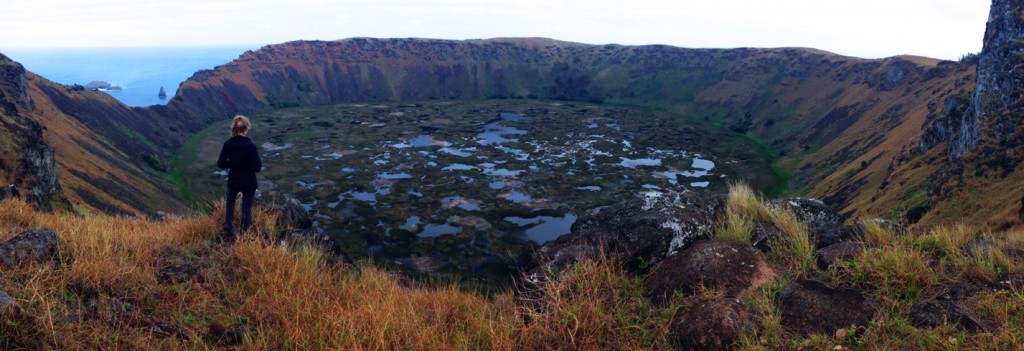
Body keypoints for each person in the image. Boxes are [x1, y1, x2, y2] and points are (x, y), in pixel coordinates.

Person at [217, 115, 262, 239]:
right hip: (249, 181)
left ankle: (228, 226)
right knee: (246, 208)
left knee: (230, 201)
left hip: (234, 180)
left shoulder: (228, 144)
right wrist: (247, 166)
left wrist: (232, 163)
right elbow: (257, 167)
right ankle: (244, 232)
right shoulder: (251, 146)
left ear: (235, 128)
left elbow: (221, 163)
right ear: (246, 128)